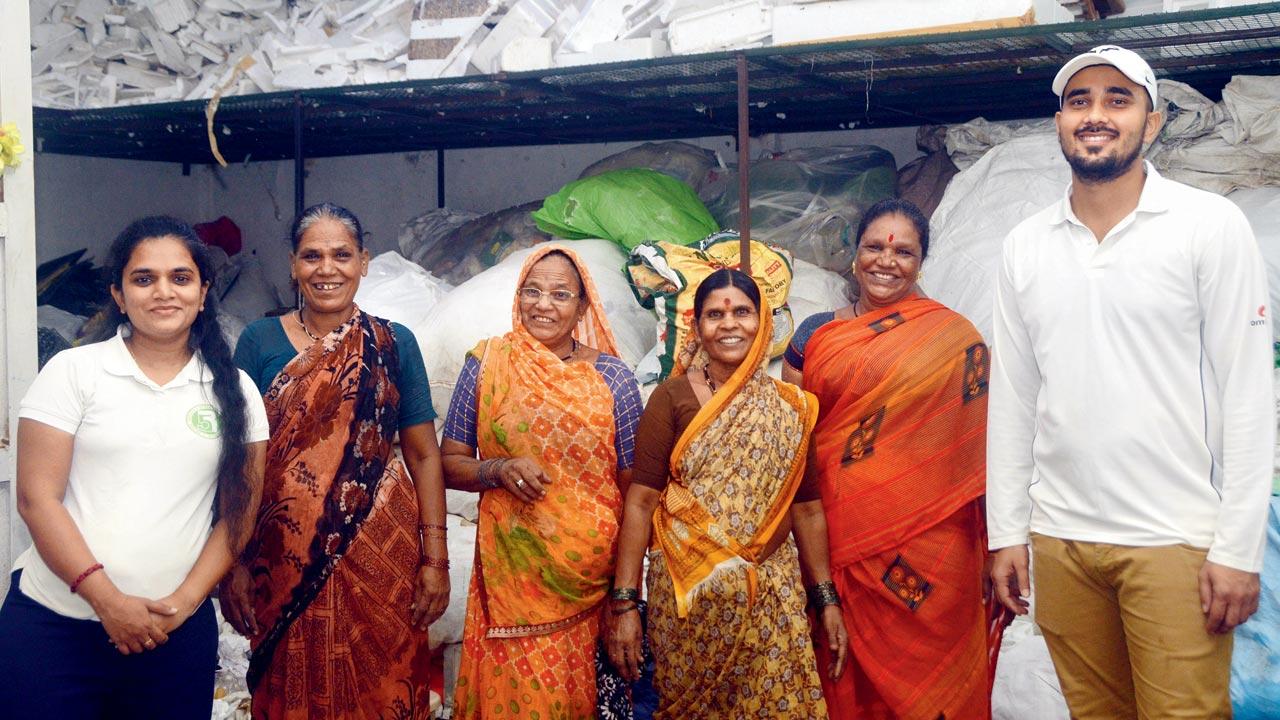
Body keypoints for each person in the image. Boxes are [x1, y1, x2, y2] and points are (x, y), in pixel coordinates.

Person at [987, 45, 1274, 719]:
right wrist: (1008, 531)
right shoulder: (1025, 245)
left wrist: (1238, 548)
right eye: (1078, 101)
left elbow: (1248, 396)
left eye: (1118, 100)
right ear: (1059, 122)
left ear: (1153, 122)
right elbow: (1015, 401)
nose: (1096, 115)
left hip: (1174, 539)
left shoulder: (1208, 226)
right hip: (1062, 542)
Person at [0, 216, 269, 719]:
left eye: (180, 278)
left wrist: (184, 606)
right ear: (119, 295)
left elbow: (239, 517)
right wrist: (108, 602)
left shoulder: (237, 390)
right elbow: (37, 498)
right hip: (55, 629)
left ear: (204, 291)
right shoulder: (74, 372)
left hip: (174, 637)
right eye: (143, 279)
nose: (163, 292)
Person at [221, 202, 449, 719]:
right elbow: (237, 460)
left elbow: (422, 453)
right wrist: (231, 562)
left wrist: (435, 558)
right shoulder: (259, 341)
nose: (327, 269)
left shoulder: (394, 344)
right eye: (312, 256)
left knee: (383, 680)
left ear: (364, 262)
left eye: (342, 255)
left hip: (380, 553)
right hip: (280, 559)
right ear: (292, 265)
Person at [783, 198, 1007, 719]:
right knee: (849, 676)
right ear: (854, 255)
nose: (887, 261)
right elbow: (794, 440)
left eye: (904, 251)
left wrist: (997, 545)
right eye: (874, 247)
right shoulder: (814, 334)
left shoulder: (954, 340)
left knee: (935, 689)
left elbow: (979, 448)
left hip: (935, 545)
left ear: (921, 261)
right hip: (840, 538)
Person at [608, 268, 846, 718]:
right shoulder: (672, 397)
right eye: (715, 314)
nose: (729, 324)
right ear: (697, 327)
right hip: (687, 606)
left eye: (742, 311)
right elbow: (641, 502)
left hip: (772, 604)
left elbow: (808, 511)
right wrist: (624, 604)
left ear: (765, 323)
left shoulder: (791, 406)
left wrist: (826, 600)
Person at [440, 244, 643, 720]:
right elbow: (450, 461)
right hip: (512, 584)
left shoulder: (614, 379)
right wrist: (496, 470)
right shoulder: (488, 364)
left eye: (559, 294)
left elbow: (637, 491)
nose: (543, 305)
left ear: (583, 307)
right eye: (532, 291)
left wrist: (625, 597)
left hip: (592, 586)